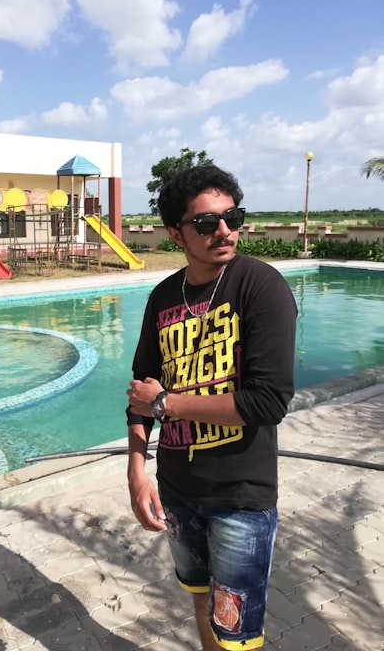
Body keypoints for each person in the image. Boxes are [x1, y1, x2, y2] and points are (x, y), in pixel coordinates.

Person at [126, 164, 297, 650]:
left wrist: (166, 403)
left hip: (239, 498)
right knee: (199, 598)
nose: (224, 231)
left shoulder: (261, 287)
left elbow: (267, 401)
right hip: (176, 490)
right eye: (205, 223)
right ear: (175, 232)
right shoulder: (163, 298)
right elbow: (138, 395)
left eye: (232, 217)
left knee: (236, 633)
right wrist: (137, 472)